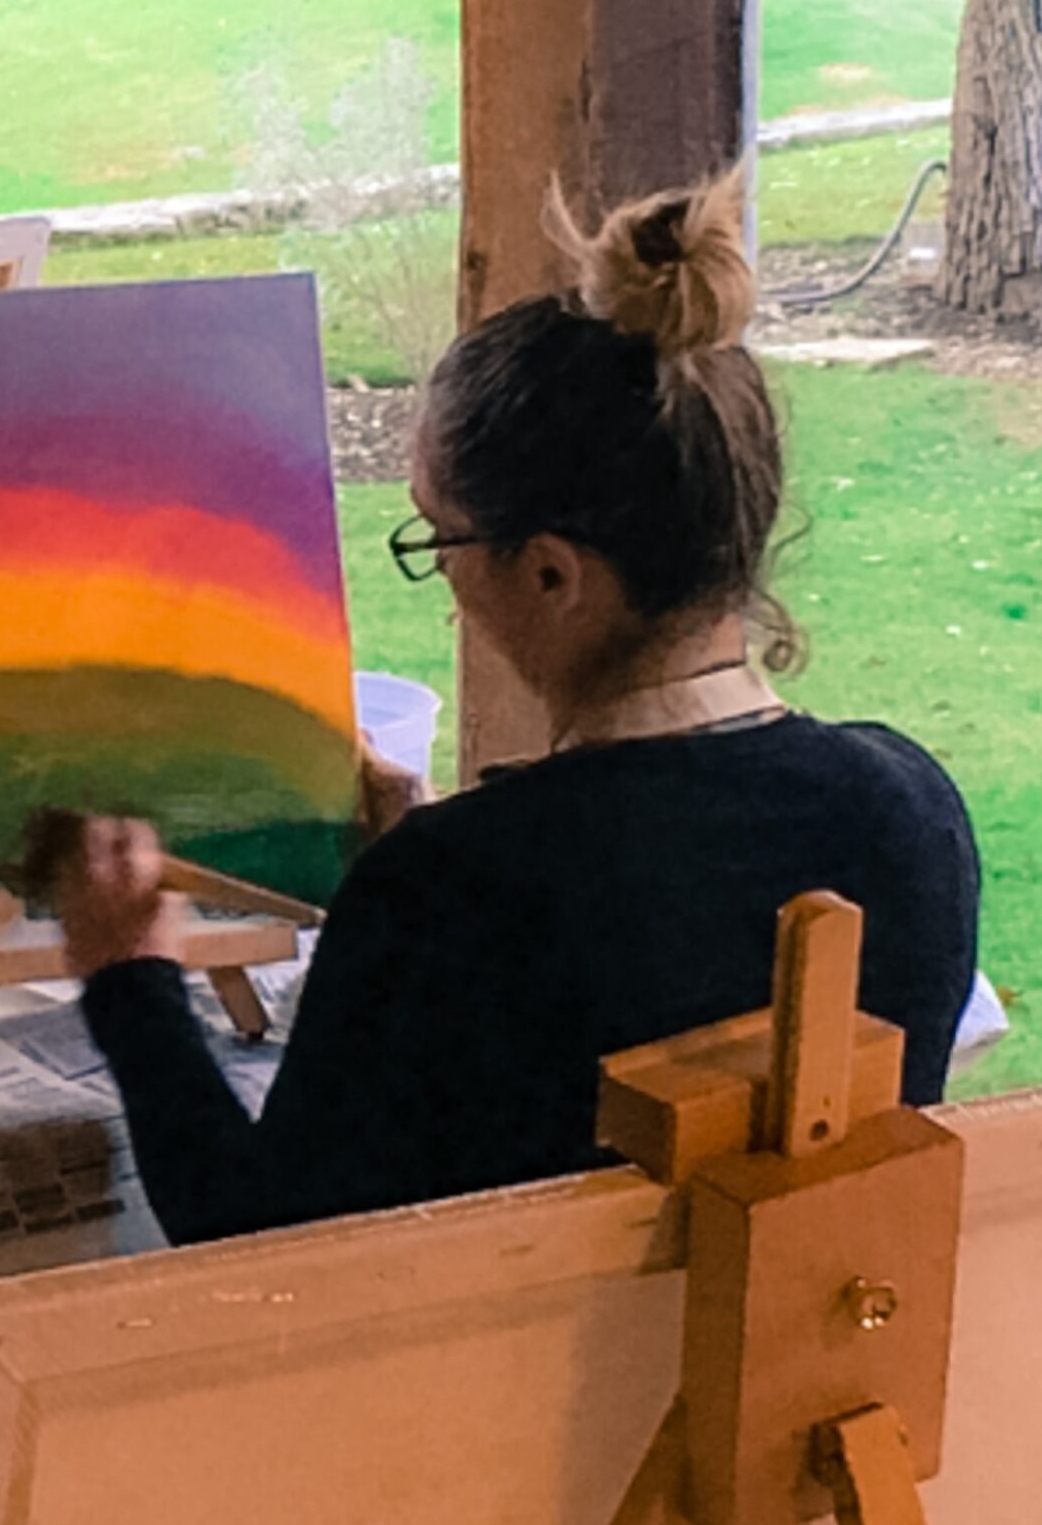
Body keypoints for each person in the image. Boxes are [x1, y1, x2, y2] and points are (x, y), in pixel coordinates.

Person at [58, 173, 981, 1248]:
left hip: (484, 1411)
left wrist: (127, 973)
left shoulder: (453, 891)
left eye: (436, 539)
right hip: (792, 1384)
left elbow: (255, 1238)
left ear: (550, 574)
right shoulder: (909, 808)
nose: (439, 573)